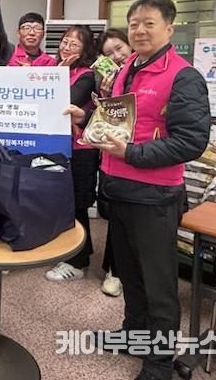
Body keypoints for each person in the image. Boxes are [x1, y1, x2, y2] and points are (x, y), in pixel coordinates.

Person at [68, 0, 210, 380]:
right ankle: (133, 335)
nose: (140, 31)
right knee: (130, 275)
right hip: (118, 188)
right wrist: (86, 118)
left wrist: (132, 153)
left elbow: (191, 141)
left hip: (155, 196)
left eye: (149, 23)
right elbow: (116, 122)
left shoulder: (183, 76)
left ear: (169, 28)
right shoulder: (127, 68)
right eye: (134, 24)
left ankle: (159, 364)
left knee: (158, 285)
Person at [45, 26, 98, 283]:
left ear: (85, 50)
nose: (66, 47)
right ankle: (74, 251)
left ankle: (78, 262)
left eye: (74, 44)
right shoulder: (57, 70)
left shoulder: (87, 75)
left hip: (80, 150)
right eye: (64, 42)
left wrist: (58, 74)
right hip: (58, 147)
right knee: (62, 203)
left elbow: (63, 103)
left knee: (78, 205)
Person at [95, 28, 133, 297]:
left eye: (119, 48)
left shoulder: (143, 72)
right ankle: (114, 271)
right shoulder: (109, 80)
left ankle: (130, 272)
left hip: (144, 154)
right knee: (116, 216)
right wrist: (105, 97)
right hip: (114, 154)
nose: (117, 56)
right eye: (109, 53)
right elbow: (107, 119)